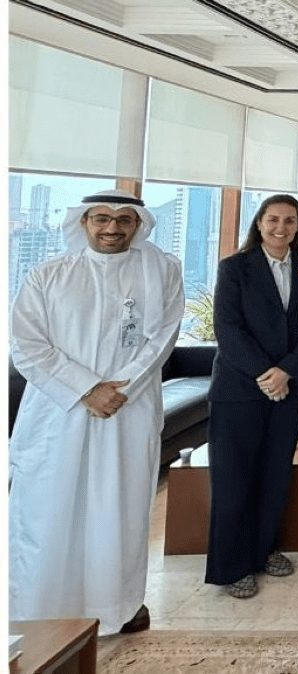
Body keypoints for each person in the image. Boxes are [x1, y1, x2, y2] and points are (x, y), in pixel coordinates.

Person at [9, 189, 184, 635]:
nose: (112, 228)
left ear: (138, 225)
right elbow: (26, 346)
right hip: (58, 413)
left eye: (124, 220)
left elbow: (162, 338)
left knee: (119, 512)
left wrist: (119, 388)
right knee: (49, 514)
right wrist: (86, 388)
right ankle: (41, 612)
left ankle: (117, 606)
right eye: (102, 218)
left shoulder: (161, 273)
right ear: (83, 222)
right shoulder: (49, 275)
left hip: (128, 410)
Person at [205, 194, 298, 599]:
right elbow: (227, 328)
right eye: (273, 219)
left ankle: (264, 549)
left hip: (289, 388)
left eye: (290, 221)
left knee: (275, 474)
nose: (281, 227)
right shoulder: (235, 268)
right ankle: (232, 566)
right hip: (241, 388)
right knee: (233, 478)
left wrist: (287, 371)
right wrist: (265, 373)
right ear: (259, 223)